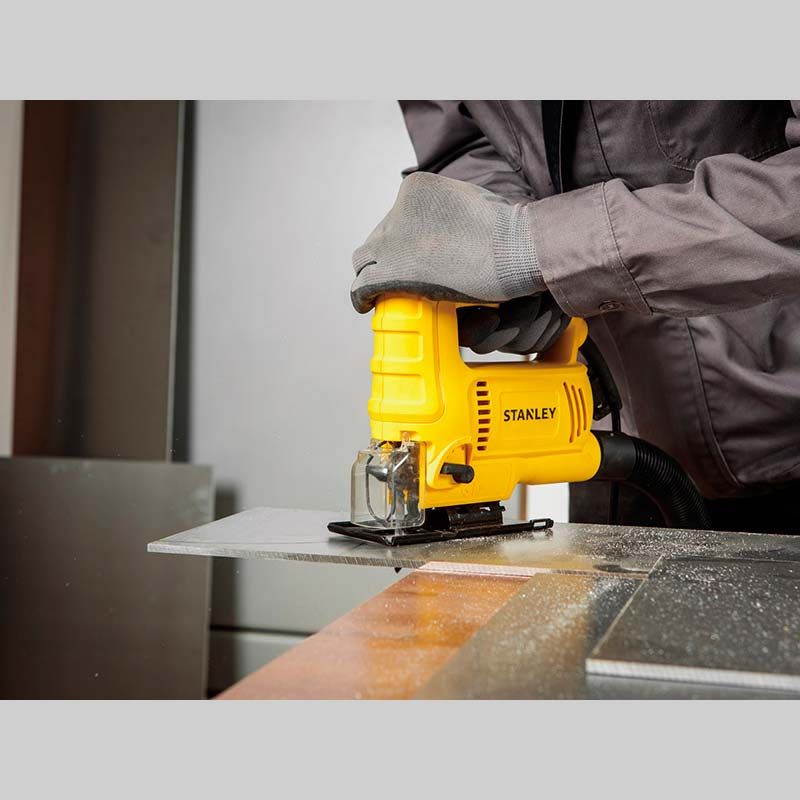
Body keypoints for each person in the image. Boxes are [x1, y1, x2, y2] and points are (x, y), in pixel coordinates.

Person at [350, 101, 800, 534]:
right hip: (609, 452)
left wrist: (541, 247)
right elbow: (463, 143)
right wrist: (505, 243)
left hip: (786, 435)